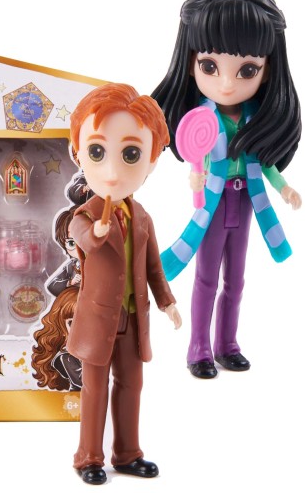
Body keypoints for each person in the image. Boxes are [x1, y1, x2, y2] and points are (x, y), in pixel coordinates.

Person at [152, 0, 302, 379]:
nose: (227, 84)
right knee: (205, 278)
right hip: (213, 205)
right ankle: (198, 348)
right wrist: (196, 176)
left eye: (247, 70)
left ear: (267, 69)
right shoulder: (201, 119)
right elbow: (196, 157)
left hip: (247, 202)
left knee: (235, 280)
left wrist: (284, 188)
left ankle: (227, 345)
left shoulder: (256, 120)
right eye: (210, 66)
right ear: (190, 62)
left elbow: (265, 164)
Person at [67, 83, 181, 485]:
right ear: (78, 153)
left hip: (133, 320)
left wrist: (167, 302)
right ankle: (88, 457)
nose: (113, 171)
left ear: (151, 160)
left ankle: (128, 453)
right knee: (94, 390)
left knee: (132, 385)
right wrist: (97, 232)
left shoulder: (142, 217)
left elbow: (154, 268)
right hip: (98, 320)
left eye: (130, 154)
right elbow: (84, 240)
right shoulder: (84, 215)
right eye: (97, 152)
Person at [32, 286, 82, 392]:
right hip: (77, 398)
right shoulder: (66, 356)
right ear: (61, 326)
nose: (79, 329)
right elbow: (83, 381)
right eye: (71, 323)